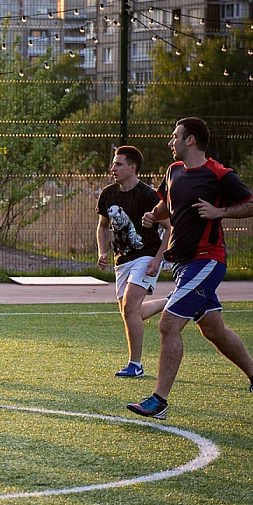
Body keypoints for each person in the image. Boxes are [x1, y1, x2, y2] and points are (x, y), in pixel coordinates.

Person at [127, 117, 253, 419]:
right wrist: (153, 216)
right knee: (213, 330)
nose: (171, 141)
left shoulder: (220, 174)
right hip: (183, 264)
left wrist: (219, 211)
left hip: (207, 260)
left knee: (168, 324)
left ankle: (159, 401)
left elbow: (251, 205)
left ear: (189, 140)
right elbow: (167, 202)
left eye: (174, 136)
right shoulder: (173, 171)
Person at [96, 145, 169, 378]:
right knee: (131, 311)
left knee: (129, 308)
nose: (113, 168)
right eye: (113, 164)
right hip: (122, 260)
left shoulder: (149, 196)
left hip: (146, 256)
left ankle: (135, 365)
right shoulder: (108, 194)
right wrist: (102, 252)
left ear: (132, 167)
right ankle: (170, 302)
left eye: (118, 164)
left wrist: (159, 258)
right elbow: (103, 226)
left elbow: (169, 229)